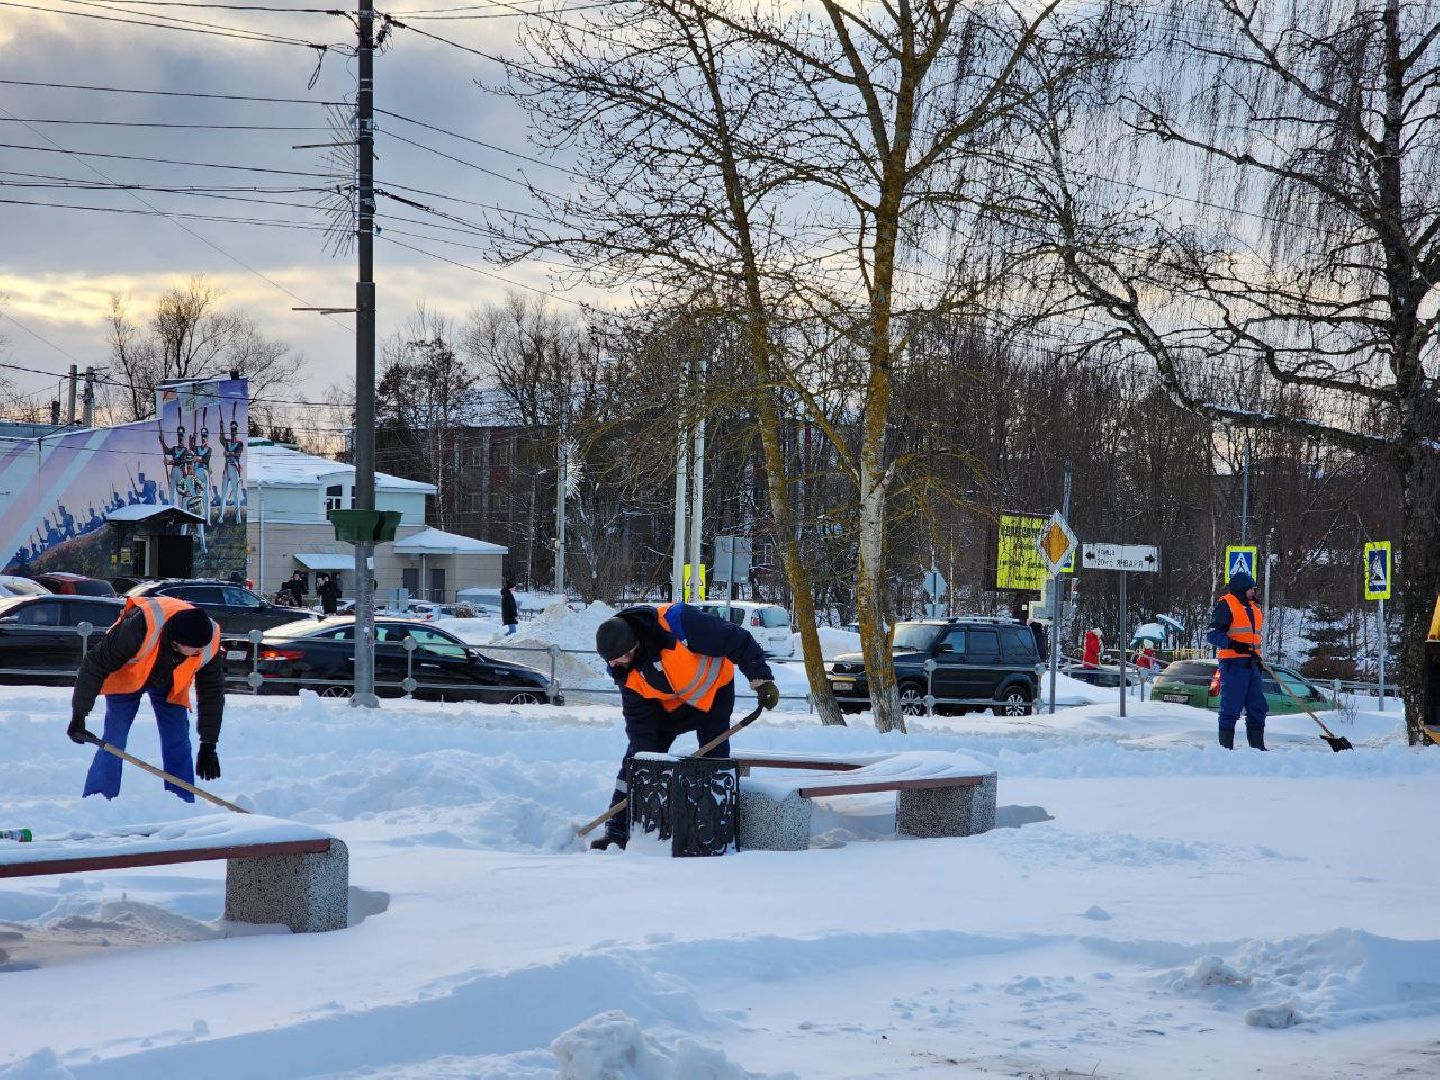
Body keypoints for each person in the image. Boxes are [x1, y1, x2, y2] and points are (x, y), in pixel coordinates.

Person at [591, 602, 781, 851]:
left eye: (623, 657)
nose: (619, 664)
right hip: (666, 709)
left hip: (712, 694)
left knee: (714, 762)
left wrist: (762, 679)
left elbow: (739, 640)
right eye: (613, 662)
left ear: (636, 642)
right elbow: (640, 727)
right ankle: (618, 831)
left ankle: (714, 830)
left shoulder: (680, 622)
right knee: (639, 761)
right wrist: (645, 759)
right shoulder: (624, 672)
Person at [67, 596, 224, 801]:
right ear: (177, 643)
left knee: (178, 740)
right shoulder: (139, 627)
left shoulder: (208, 638)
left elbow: (212, 691)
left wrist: (209, 744)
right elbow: (94, 665)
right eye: (194, 649)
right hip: (128, 675)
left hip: (170, 683)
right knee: (115, 737)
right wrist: (79, 715)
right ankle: (99, 798)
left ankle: (182, 800)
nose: (200, 652)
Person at [1205, 571, 1267, 750]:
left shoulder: (1254, 609)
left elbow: (1254, 638)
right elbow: (1213, 635)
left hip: (1252, 664)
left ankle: (1258, 749)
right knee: (1231, 707)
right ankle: (1225, 749)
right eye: (1251, 589)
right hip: (1233, 665)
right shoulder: (1227, 605)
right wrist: (1232, 644)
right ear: (1242, 589)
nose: (1253, 592)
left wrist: (1258, 658)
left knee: (1258, 706)